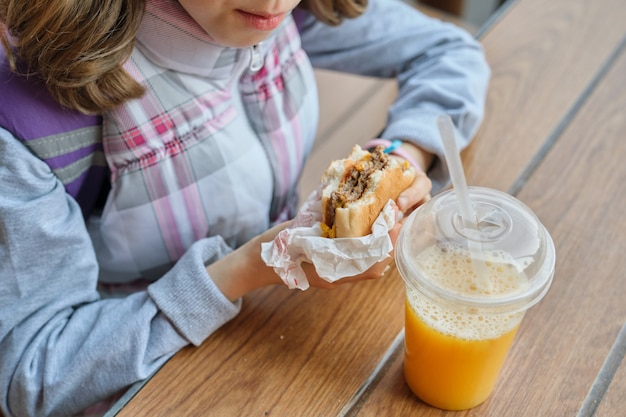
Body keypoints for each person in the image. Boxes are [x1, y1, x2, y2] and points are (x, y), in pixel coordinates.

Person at [0, 0, 489, 415]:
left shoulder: (283, 14)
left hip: (277, 329)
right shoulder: (27, 118)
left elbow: (448, 52)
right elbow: (31, 374)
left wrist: (401, 158)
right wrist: (245, 268)